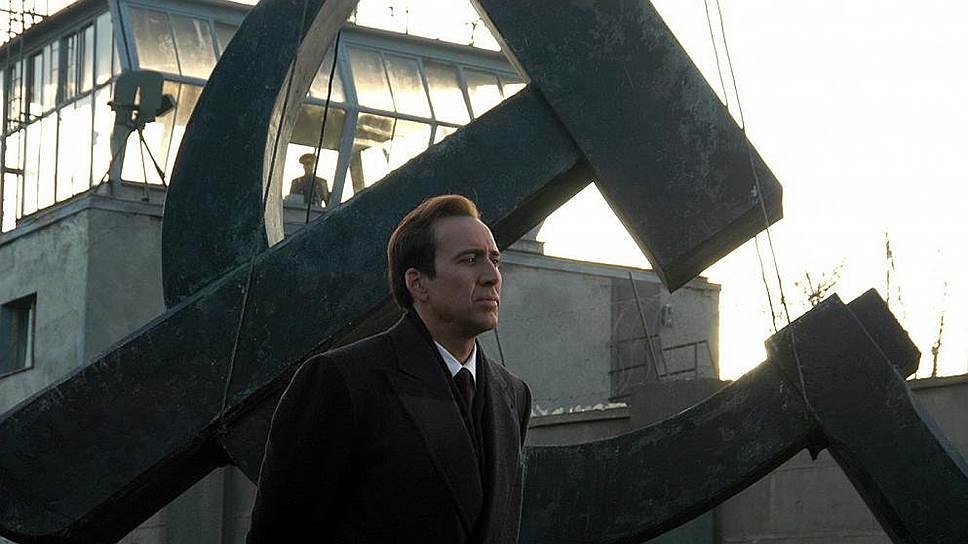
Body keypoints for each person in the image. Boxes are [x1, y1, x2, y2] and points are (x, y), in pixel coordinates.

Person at [247, 194, 532, 543]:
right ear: (417, 283)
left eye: (494, 260)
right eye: (470, 260)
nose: (492, 276)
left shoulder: (513, 395)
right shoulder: (342, 381)